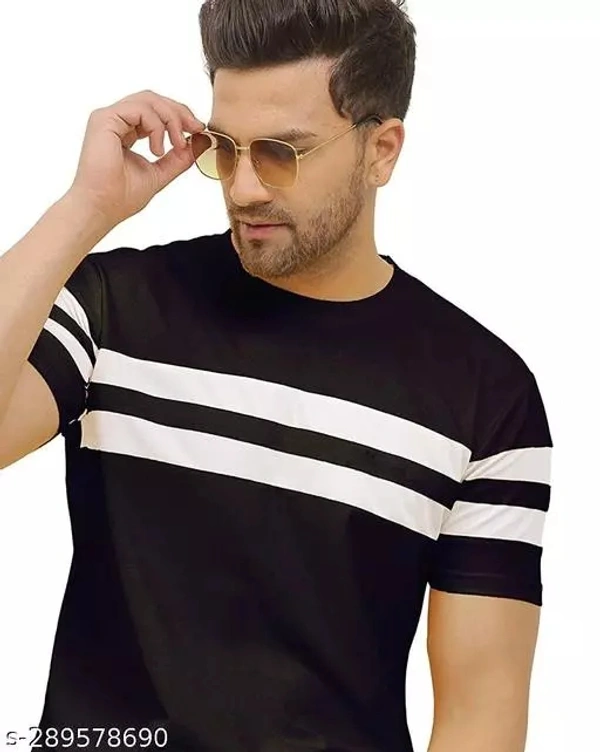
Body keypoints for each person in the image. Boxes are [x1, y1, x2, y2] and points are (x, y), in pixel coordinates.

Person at [0, 1, 553, 751]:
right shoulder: (115, 309)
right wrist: (85, 209)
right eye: (225, 148)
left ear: (381, 150)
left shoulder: (485, 395)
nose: (243, 188)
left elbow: (479, 717)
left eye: (281, 153)